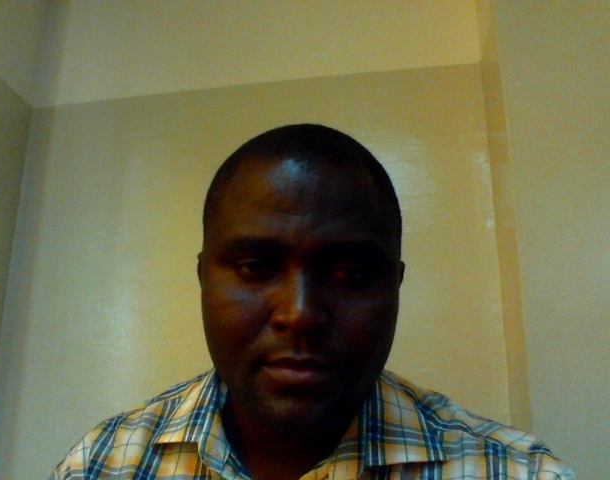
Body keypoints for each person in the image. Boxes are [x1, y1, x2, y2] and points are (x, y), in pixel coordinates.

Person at [50, 124, 575, 479]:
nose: (299, 314)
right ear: (203, 279)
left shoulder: (516, 472)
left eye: (349, 274)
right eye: (255, 267)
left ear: (394, 286)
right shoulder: (101, 465)